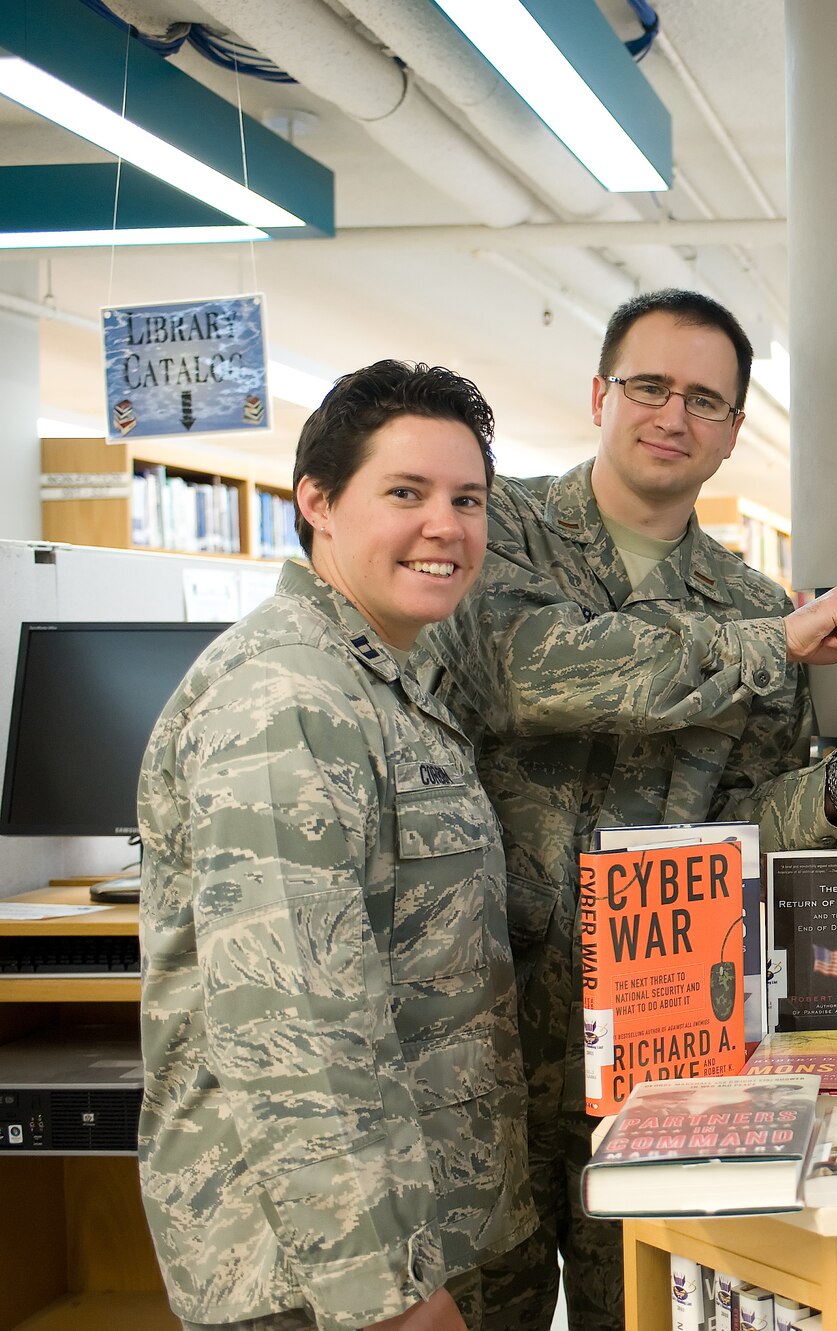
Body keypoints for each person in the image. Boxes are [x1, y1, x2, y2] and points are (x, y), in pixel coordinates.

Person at [429, 289, 837, 1331]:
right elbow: (523, 670)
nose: (671, 414)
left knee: (638, 1308)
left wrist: (834, 790)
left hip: (661, 1059)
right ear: (599, 393)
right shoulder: (487, 526)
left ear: (733, 433)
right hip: (477, 1046)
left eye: (704, 399)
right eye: (648, 385)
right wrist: (768, 646)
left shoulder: (752, 602)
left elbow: (744, 825)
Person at [138, 362, 532, 1331]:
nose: (445, 525)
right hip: (320, 1278)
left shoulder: (386, 678)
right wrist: (386, 1291)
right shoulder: (289, 701)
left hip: (426, 1226)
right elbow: (295, 1026)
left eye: (466, 498)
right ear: (316, 500)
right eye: (406, 492)